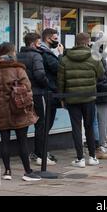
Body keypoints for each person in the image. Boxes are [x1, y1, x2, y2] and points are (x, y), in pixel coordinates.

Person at [0, 42, 41, 181]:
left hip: (0, 110)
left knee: (4, 141)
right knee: (22, 141)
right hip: (18, 109)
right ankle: (27, 172)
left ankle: (7, 171)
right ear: (12, 53)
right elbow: (27, 88)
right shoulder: (18, 70)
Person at [57, 32, 104, 168]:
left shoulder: (65, 59)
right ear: (88, 41)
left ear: (75, 43)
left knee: (76, 128)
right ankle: (92, 157)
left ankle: (80, 158)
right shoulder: (94, 56)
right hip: (89, 97)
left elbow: (60, 81)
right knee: (89, 127)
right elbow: (101, 75)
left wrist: (61, 98)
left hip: (71, 98)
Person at [17, 33, 55, 166]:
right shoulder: (36, 55)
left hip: (23, 94)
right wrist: (47, 84)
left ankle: (25, 154)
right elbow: (40, 74)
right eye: (39, 43)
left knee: (24, 123)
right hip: (38, 93)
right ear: (33, 43)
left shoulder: (18, 55)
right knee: (41, 124)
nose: (40, 46)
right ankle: (40, 155)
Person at [38, 28, 64, 164]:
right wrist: (61, 55)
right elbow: (59, 68)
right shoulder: (45, 53)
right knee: (45, 124)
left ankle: (40, 152)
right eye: (55, 39)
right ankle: (41, 154)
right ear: (47, 39)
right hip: (48, 93)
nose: (57, 41)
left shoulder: (45, 52)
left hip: (49, 92)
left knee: (45, 124)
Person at [93, 32, 107, 160]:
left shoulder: (97, 54)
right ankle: (101, 143)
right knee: (101, 120)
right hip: (101, 91)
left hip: (96, 91)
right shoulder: (97, 55)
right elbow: (102, 74)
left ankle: (99, 143)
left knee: (96, 121)